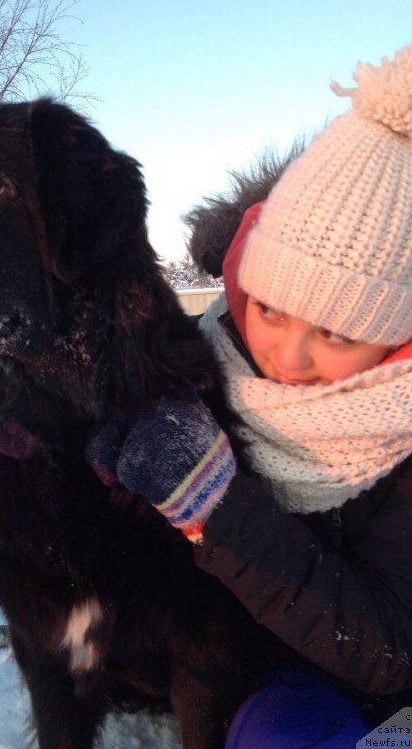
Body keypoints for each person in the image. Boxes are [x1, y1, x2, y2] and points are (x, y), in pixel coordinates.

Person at [86, 45, 412, 747]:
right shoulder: (208, 362)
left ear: (396, 335)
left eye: (335, 331)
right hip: (266, 673)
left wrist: (216, 509)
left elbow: (392, 650)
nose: (288, 357)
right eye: (269, 310)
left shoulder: (402, 437)